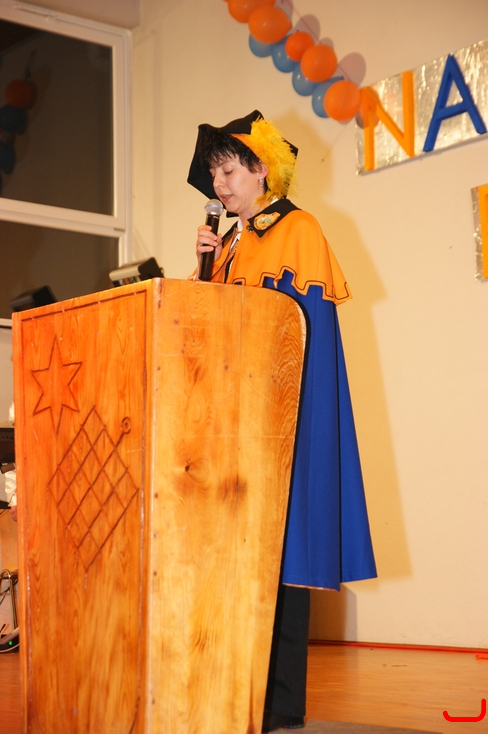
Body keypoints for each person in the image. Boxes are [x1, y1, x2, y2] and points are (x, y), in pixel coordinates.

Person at [188, 110, 377, 732]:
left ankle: (280, 702)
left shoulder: (299, 228)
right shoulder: (228, 244)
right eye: (215, 173)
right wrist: (203, 270)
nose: (219, 184)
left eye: (229, 170)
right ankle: (236, 689)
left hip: (279, 412)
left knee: (284, 550)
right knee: (242, 554)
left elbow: (304, 334)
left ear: (262, 169)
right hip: (232, 416)